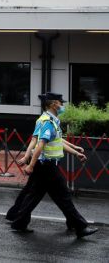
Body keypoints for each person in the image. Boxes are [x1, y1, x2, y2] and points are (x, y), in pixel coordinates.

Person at [10, 93, 98, 238]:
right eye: (59, 103)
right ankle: (80, 227)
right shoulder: (47, 122)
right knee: (63, 196)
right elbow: (39, 145)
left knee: (35, 196)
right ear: (52, 104)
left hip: (46, 165)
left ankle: (19, 223)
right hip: (47, 166)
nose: (62, 105)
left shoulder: (51, 120)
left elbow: (58, 141)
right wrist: (30, 164)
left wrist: (75, 152)